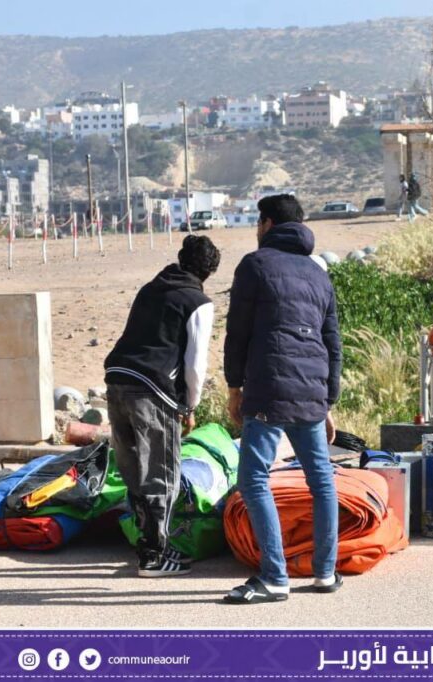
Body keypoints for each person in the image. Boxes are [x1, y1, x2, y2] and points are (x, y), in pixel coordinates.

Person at [223, 193, 342, 604]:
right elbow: (333, 343)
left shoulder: (255, 265)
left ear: (268, 224)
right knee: (321, 480)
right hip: (312, 391)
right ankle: (325, 573)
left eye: (258, 223)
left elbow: (237, 333)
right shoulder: (318, 273)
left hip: (269, 388)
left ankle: (275, 577)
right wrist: (328, 401)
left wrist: (234, 387)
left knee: (253, 479)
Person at [104, 234, 221, 577]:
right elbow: (195, 365)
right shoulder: (198, 302)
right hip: (153, 389)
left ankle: (147, 544)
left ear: (181, 259)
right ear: (209, 271)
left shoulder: (149, 289)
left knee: (133, 472)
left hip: (117, 379)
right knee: (161, 473)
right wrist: (189, 406)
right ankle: (154, 557)